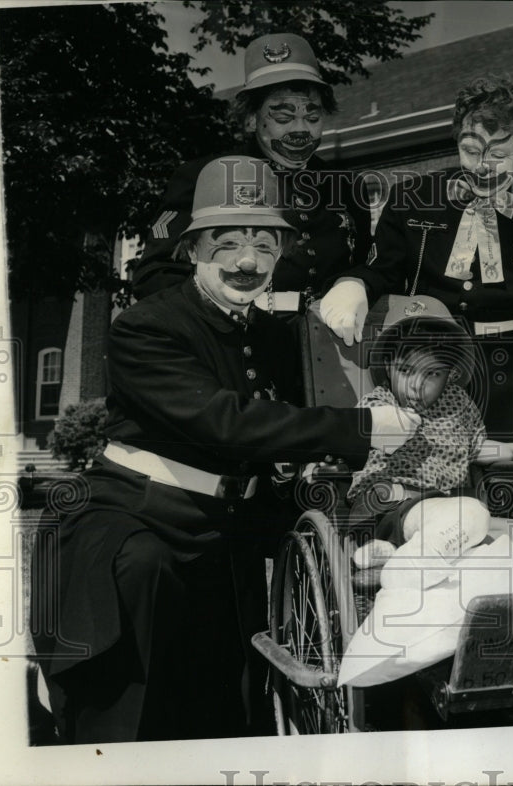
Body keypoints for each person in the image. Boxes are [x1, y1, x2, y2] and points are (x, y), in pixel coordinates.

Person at [32, 156, 419, 744]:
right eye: (228, 242)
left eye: (264, 245)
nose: (247, 261)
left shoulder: (274, 337)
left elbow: (281, 450)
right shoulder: (145, 326)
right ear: (191, 251)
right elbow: (226, 424)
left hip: (226, 531)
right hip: (136, 521)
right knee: (132, 705)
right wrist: (360, 428)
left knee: (228, 709)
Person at [319, 76, 513, 440]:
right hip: (422, 375)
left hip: (511, 387)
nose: (482, 167)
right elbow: (382, 269)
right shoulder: (411, 199)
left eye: (498, 155)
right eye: (471, 151)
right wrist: (355, 283)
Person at [132, 32, 372, 316]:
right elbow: (154, 275)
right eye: (283, 118)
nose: (300, 130)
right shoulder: (203, 176)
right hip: (239, 349)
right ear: (250, 119)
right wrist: (226, 312)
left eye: (312, 117)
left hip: (331, 346)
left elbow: (368, 264)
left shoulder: (346, 185)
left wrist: (359, 284)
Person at [345, 315, 490, 569]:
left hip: (438, 506)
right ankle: (397, 550)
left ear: (450, 375)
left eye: (432, 373)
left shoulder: (458, 403)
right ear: (388, 366)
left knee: (469, 517)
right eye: (405, 371)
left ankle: (396, 552)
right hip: (385, 503)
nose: (416, 386)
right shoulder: (379, 404)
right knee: (469, 514)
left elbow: (477, 448)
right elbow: (352, 438)